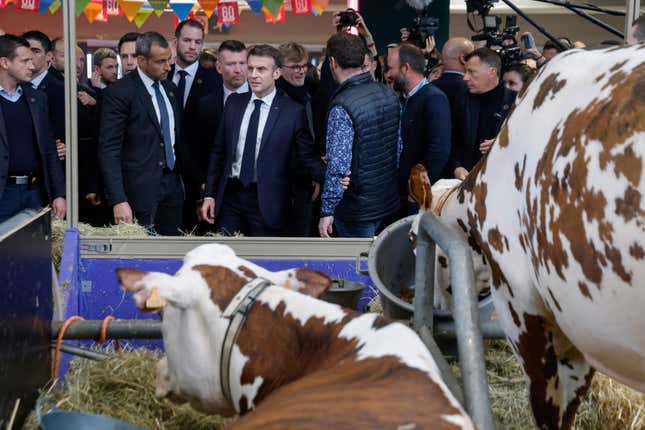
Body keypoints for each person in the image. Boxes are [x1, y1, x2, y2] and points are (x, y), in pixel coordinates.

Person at [200, 45, 318, 236]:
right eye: (251, 68)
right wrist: (210, 195)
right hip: (231, 196)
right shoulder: (234, 103)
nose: (253, 75)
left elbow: (306, 157)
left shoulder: (293, 111)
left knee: (263, 260)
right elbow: (218, 152)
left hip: (268, 200)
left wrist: (333, 177)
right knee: (229, 259)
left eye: (261, 69)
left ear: (277, 73)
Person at [99, 32, 187, 235]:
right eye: (160, 62)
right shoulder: (120, 92)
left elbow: (176, 139)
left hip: (172, 188)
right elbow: (109, 149)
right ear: (141, 61)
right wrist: (118, 199)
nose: (168, 67)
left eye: (169, 60)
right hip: (137, 192)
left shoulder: (170, 89)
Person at [319, 33, 400, 238]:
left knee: (356, 267)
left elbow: (338, 164)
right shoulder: (388, 93)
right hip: (387, 200)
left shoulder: (342, 105)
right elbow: (398, 148)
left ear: (333, 62)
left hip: (357, 208)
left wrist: (328, 209)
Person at [0, 35, 66, 222]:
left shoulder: (37, 98)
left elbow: (49, 149)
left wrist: (59, 194)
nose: (32, 66)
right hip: (4, 193)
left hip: (34, 192)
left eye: (32, 60)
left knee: (34, 250)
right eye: (25, 61)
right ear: (5, 62)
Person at [386, 43, 451, 216]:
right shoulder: (405, 98)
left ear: (406, 68)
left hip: (417, 199)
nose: (388, 74)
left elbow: (439, 149)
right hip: (400, 195)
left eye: (391, 68)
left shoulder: (434, 99)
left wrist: (418, 189)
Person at [168, 19, 220, 231]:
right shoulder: (162, 74)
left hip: (198, 179)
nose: (192, 46)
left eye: (198, 42)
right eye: (187, 40)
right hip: (165, 175)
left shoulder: (214, 81)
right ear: (175, 41)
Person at [277, 42, 326, 236]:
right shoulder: (278, 98)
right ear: (279, 69)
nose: (300, 71)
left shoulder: (306, 93)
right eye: (294, 67)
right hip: (286, 184)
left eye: (304, 66)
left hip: (305, 180)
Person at [193, 40, 249, 207]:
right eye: (231, 64)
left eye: (242, 63)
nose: (238, 70)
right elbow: (199, 149)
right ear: (219, 67)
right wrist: (203, 183)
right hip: (215, 189)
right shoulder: (205, 104)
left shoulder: (263, 98)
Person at [450, 48, 517, 180]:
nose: (465, 78)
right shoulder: (461, 99)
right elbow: (452, 139)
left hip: (502, 182)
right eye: (465, 72)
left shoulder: (516, 103)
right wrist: (456, 166)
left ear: (492, 72)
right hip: (465, 183)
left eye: (471, 72)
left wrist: (503, 144)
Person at [22, 30, 65, 147]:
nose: (30, 56)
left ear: (49, 57)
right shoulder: (14, 87)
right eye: (26, 51)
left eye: (36, 51)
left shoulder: (60, 89)